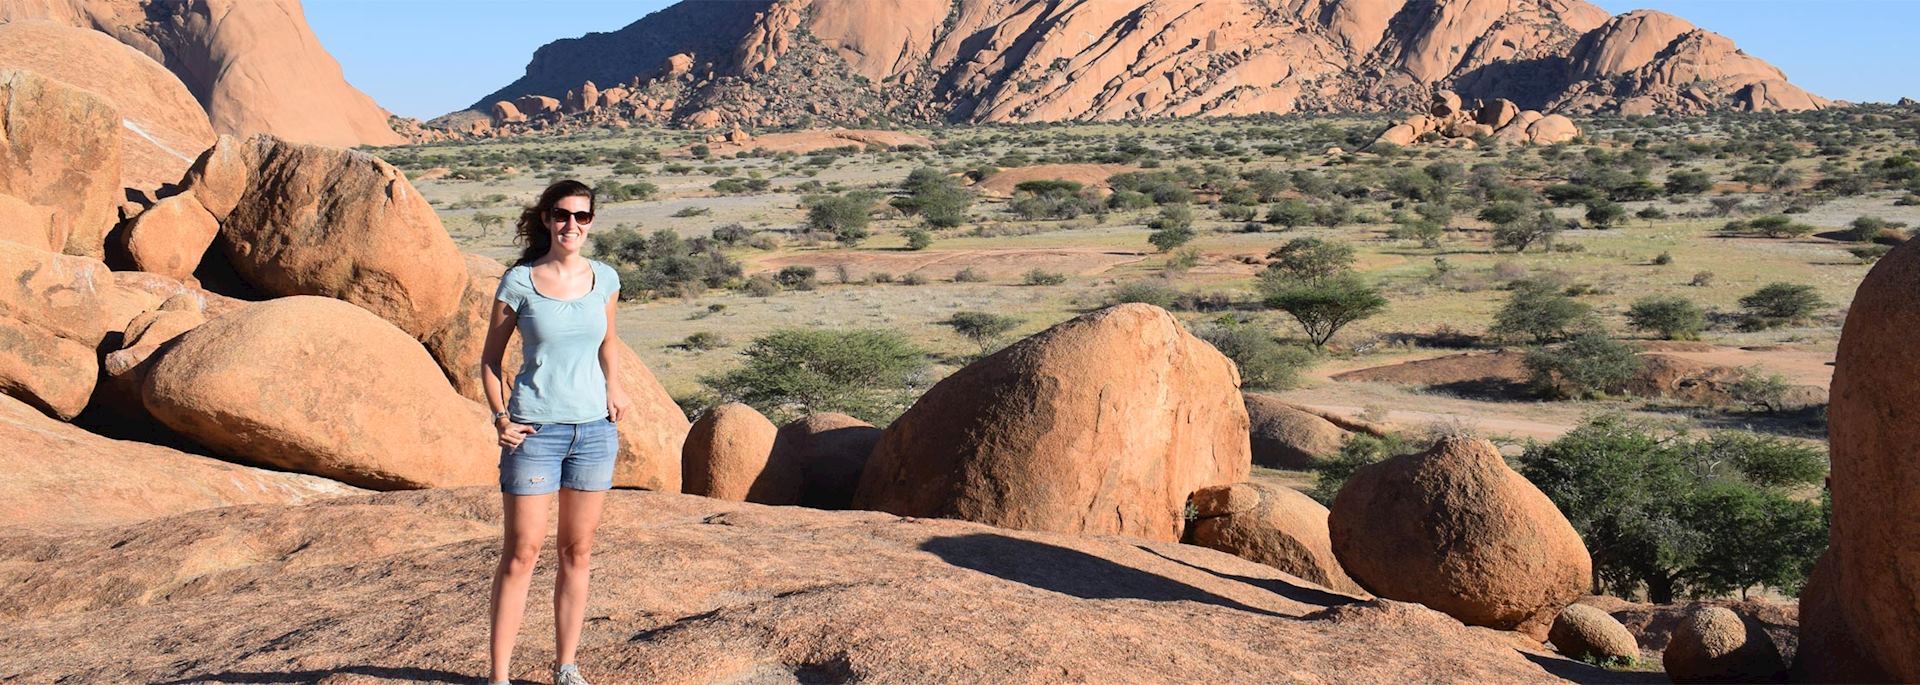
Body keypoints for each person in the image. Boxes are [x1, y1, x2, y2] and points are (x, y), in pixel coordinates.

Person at [481, 179, 632, 685]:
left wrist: (614, 388)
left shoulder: (605, 278)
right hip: (535, 433)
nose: (572, 226)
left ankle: (566, 667)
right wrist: (501, 417)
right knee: (522, 552)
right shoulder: (519, 281)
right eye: (563, 215)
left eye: (582, 217)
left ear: (591, 221)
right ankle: (499, 678)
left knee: (577, 551)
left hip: (592, 430)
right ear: (546, 219)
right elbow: (489, 360)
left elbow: (608, 343)